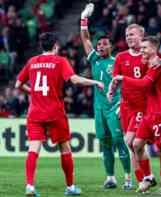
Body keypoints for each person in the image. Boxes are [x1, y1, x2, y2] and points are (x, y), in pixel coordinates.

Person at [16, 32, 104, 197]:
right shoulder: (60, 61)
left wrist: (33, 93)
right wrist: (95, 82)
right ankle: (70, 187)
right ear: (55, 45)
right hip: (55, 112)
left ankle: (29, 186)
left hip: (35, 112)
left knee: (33, 148)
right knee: (65, 148)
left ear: (41, 46)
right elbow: (75, 80)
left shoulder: (32, 61)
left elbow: (18, 84)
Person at [107, 23, 161, 190]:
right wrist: (112, 90)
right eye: (127, 35)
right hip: (129, 107)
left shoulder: (153, 60)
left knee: (138, 143)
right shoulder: (122, 57)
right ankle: (146, 178)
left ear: (142, 36)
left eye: (132, 34)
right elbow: (116, 79)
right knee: (134, 144)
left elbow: (148, 82)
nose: (129, 38)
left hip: (152, 109)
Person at [80, 3, 131, 190]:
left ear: (111, 46)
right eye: (99, 44)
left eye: (104, 43)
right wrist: (84, 19)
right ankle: (110, 178)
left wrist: (123, 105)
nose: (100, 46)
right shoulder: (94, 59)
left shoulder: (117, 61)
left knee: (119, 141)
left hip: (115, 107)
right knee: (105, 143)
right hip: (99, 108)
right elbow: (85, 39)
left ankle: (127, 177)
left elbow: (126, 85)